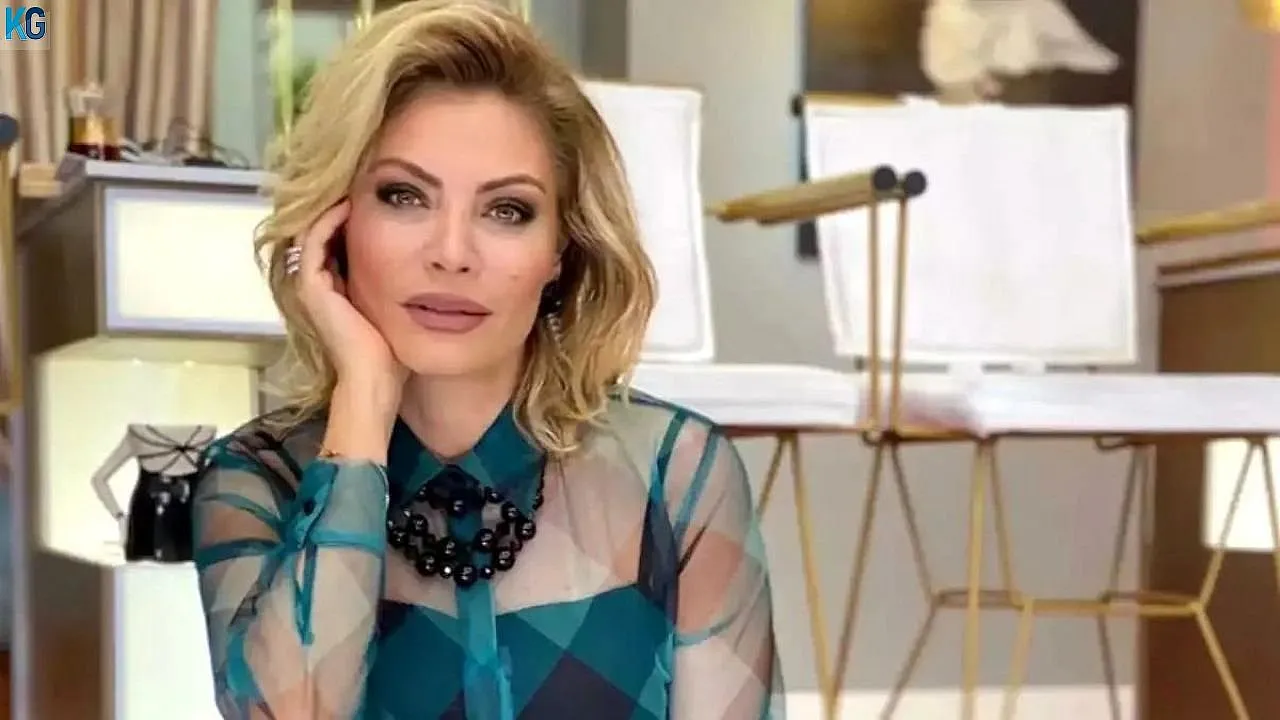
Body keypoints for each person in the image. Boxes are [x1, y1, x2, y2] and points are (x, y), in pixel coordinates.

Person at [191, 1, 784, 718]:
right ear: (333, 226)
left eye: (507, 210)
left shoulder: (677, 474)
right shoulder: (256, 480)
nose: (452, 253)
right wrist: (361, 412)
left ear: (560, 250)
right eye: (404, 196)